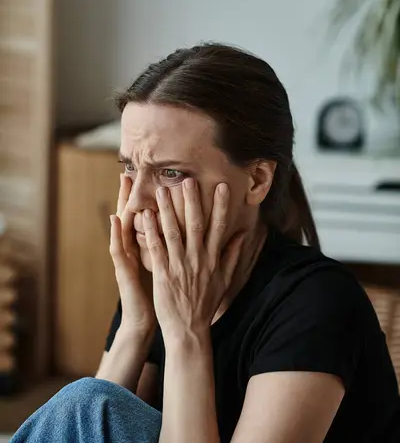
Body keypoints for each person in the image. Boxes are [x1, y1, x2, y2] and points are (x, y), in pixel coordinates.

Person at [12, 43, 400, 443]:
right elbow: (89, 434)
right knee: (90, 404)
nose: (135, 202)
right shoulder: (160, 280)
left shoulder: (317, 301)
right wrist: (136, 324)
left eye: (172, 173)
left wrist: (187, 335)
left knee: (88, 401)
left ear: (257, 181)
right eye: (130, 167)